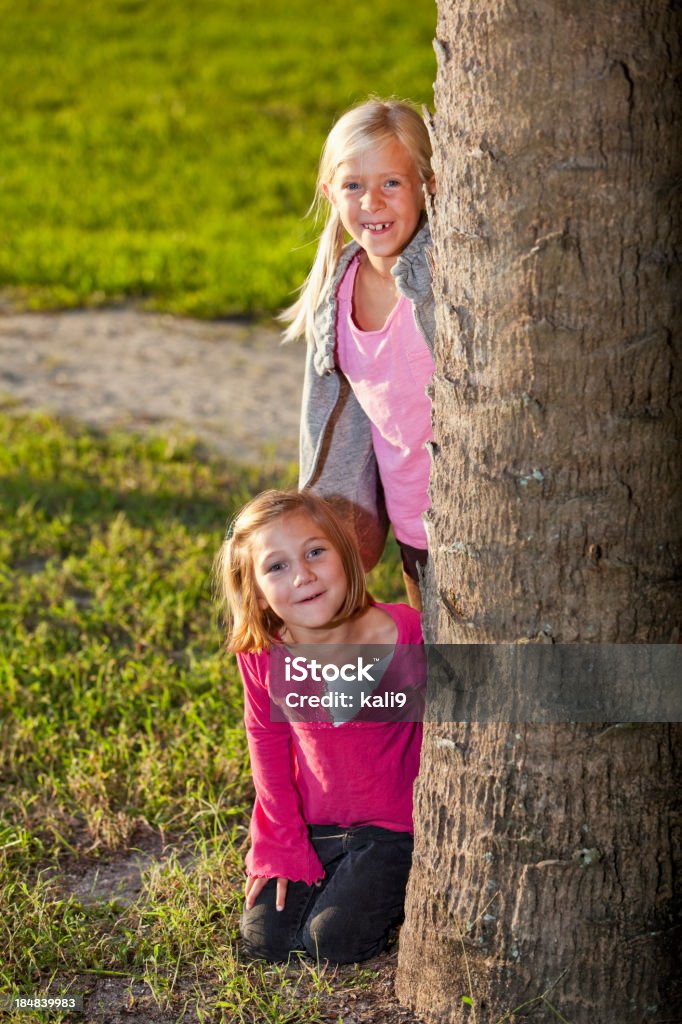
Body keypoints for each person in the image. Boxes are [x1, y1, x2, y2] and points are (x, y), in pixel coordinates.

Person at [214, 489, 424, 963]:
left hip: (392, 829)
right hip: (315, 825)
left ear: (345, 553)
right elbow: (266, 741)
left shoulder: (406, 634)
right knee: (264, 940)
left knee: (331, 943)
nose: (303, 575)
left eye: (314, 552)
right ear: (255, 591)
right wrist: (280, 842)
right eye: (277, 566)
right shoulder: (266, 654)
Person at [281, 98, 436, 610]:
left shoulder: (445, 279)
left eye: (391, 183)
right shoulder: (336, 293)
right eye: (353, 186)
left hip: (485, 509)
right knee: (445, 665)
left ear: (426, 184)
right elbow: (326, 422)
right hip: (416, 527)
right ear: (330, 193)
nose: (372, 202)